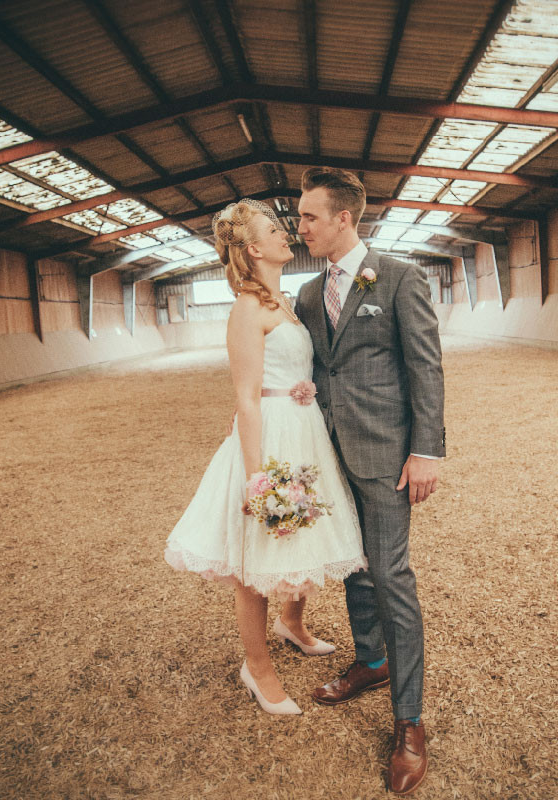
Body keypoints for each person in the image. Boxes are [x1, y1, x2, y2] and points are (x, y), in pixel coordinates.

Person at [165, 199, 367, 716]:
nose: (288, 233)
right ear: (254, 248)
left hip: (304, 430)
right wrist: (257, 478)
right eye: (275, 229)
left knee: (305, 534)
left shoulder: (288, 303)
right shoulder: (246, 309)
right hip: (270, 436)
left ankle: (292, 623)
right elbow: (247, 398)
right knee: (256, 555)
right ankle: (256, 668)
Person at [295, 167, 446, 795]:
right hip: (329, 454)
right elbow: (318, 366)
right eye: (298, 217)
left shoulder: (400, 275)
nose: (299, 227)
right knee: (353, 565)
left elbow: (425, 366)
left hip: (387, 455)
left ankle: (410, 724)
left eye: (308, 216)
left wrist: (427, 451)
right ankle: (372, 660)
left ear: (343, 219)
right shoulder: (305, 295)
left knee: (390, 574)